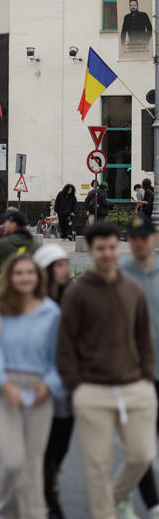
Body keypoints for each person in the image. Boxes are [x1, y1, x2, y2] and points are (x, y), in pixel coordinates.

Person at [57, 222, 156, 519]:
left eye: (113, 246)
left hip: (135, 387)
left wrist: (148, 376)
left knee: (142, 455)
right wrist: (77, 385)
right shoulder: (77, 293)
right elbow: (66, 344)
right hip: (92, 390)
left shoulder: (132, 289)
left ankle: (115, 497)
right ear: (91, 251)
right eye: (101, 248)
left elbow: (143, 337)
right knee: (97, 465)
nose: (108, 253)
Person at [0, 254, 63, 519]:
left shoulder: (51, 311)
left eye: (30, 273)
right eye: (19, 273)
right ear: (9, 278)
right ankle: (8, 510)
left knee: (33, 463)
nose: (25, 278)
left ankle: (32, 514)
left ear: (38, 277)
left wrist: (49, 385)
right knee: (14, 462)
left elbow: (59, 355)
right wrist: (5, 384)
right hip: (4, 387)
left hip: (40, 389)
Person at [120, 213, 159, 519]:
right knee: (140, 446)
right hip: (132, 374)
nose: (138, 243)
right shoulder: (119, 274)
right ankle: (153, 501)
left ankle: (121, 491)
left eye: (143, 237)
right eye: (133, 238)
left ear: (154, 238)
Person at [33, 244, 73, 519]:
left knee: (62, 439)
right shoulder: (32, 300)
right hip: (39, 381)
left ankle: (51, 476)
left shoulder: (74, 296)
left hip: (67, 380)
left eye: (65, 265)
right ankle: (50, 499)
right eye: (57, 266)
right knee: (43, 445)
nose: (64, 270)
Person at [0, 211, 39, 279]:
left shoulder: (2, 244)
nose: (4, 225)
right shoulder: (36, 246)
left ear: (13, 225)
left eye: (6, 222)